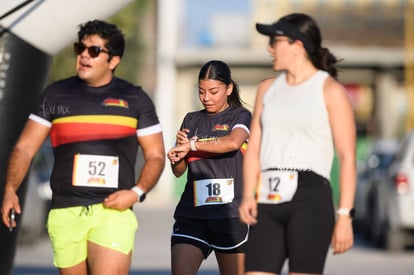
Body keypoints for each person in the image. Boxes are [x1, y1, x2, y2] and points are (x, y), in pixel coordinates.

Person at [1, 20, 165, 275]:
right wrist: (11, 189)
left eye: (94, 51)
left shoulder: (135, 99)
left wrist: (136, 192)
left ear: (114, 61)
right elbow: (24, 147)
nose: (84, 56)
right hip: (65, 210)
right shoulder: (55, 95)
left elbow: (155, 155)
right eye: (81, 48)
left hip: (112, 211)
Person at [238, 13, 356, 275]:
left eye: (275, 41)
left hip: (310, 197)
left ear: (298, 45)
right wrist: (248, 194)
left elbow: (347, 157)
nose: (269, 48)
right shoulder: (266, 90)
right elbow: (254, 148)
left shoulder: (330, 91)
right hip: (267, 196)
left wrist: (345, 215)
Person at [167, 60, 252, 275]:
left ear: (229, 88)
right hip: (192, 215)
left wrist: (193, 145)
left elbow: (233, 142)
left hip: (230, 215)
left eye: (213, 91)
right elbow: (179, 172)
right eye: (201, 91)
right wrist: (177, 156)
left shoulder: (240, 116)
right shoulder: (191, 119)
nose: (206, 98)